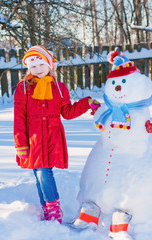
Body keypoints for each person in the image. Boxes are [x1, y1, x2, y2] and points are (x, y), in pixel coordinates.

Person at [13, 45, 101, 224]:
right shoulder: (23, 88)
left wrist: (86, 103)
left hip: (52, 137)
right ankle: (47, 209)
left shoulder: (59, 88)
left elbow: (67, 112)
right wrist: (20, 143)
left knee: (45, 173)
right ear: (29, 69)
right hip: (33, 139)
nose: (38, 69)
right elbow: (19, 118)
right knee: (38, 174)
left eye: (41, 65)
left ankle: (54, 211)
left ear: (49, 65)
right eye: (33, 66)